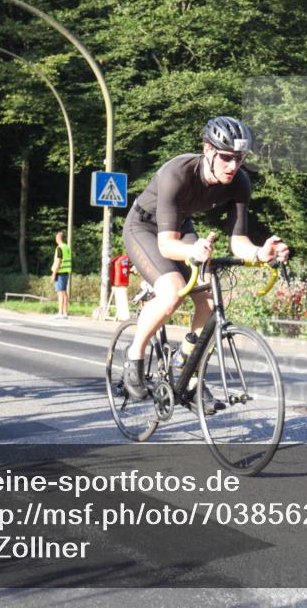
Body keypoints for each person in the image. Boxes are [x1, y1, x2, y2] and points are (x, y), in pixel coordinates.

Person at [122, 116, 290, 413]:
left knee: (210, 300)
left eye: (239, 159)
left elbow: (239, 242)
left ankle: (186, 369)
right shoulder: (178, 173)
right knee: (172, 292)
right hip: (144, 228)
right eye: (226, 157)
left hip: (180, 227)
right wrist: (192, 250)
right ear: (208, 151)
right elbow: (165, 245)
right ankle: (134, 354)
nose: (233, 166)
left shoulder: (239, 183)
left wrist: (261, 254)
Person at [50, 230, 72, 319]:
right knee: (64, 292)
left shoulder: (59, 248)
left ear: (58, 238)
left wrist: (53, 274)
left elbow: (58, 261)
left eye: (56, 237)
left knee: (60, 293)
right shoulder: (67, 247)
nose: (55, 239)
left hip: (60, 272)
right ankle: (65, 312)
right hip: (66, 272)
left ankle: (60, 312)